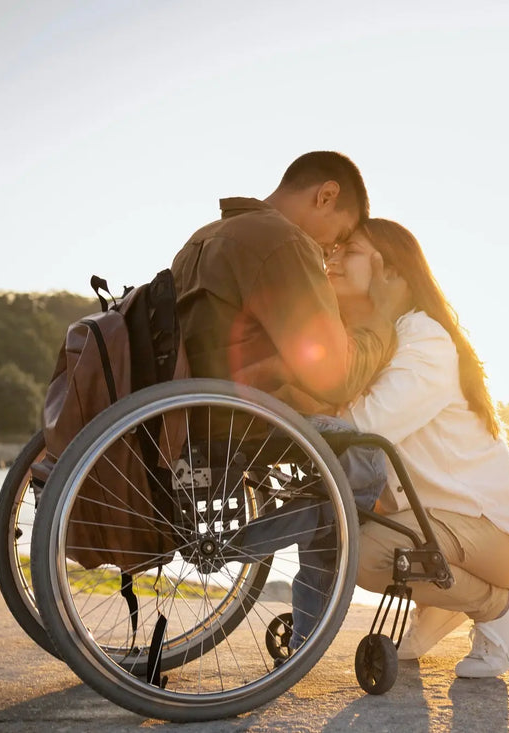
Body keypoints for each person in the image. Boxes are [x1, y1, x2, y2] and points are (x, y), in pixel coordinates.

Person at [170, 151, 405, 648]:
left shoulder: (204, 236)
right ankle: (247, 556)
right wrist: (379, 324)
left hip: (200, 413)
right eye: (338, 236)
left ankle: (304, 628)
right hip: (246, 418)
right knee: (364, 455)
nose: (331, 252)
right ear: (326, 195)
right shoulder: (282, 241)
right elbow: (334, 376)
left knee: (337, 452)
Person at [324, 218, 509, 678]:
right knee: (355, 535)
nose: (335, 257)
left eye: (353, 250)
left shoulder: (423, 339)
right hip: (447, 519)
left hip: (500, 534)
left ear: (393, 273)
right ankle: (442, 605)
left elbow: (364, 426)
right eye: (336, 249)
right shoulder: (384, 336)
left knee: (361, 553)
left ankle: (499, 608)